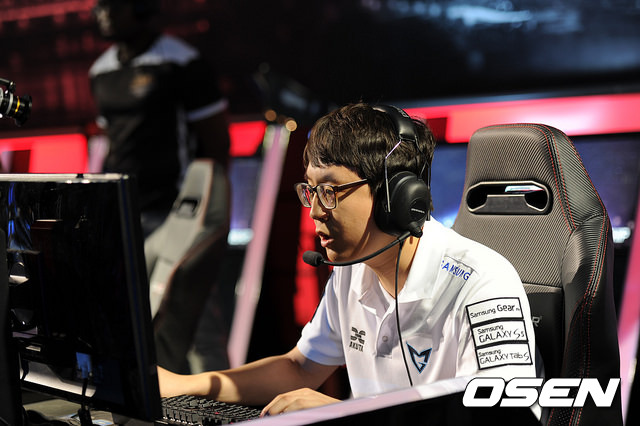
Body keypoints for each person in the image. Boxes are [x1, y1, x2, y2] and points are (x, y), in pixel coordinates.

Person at [158, 103, 538, 416]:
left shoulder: (481, 283)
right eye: (310, 191)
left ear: (395, 196)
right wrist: (185, 385)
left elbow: (501, 417)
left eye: (330, 191)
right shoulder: (353, 269)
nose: (314, 211)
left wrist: (340, 414)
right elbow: (300, 368)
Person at [89, 0, 231, 237]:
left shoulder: (182, 62)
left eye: (114, 6)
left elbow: (217, 143)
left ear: (141, 7)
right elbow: (110, 142)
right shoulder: (99, 72)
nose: (104, 15)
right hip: (121, 206)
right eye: (99, 8)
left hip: (175, 207)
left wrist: (208, 207)